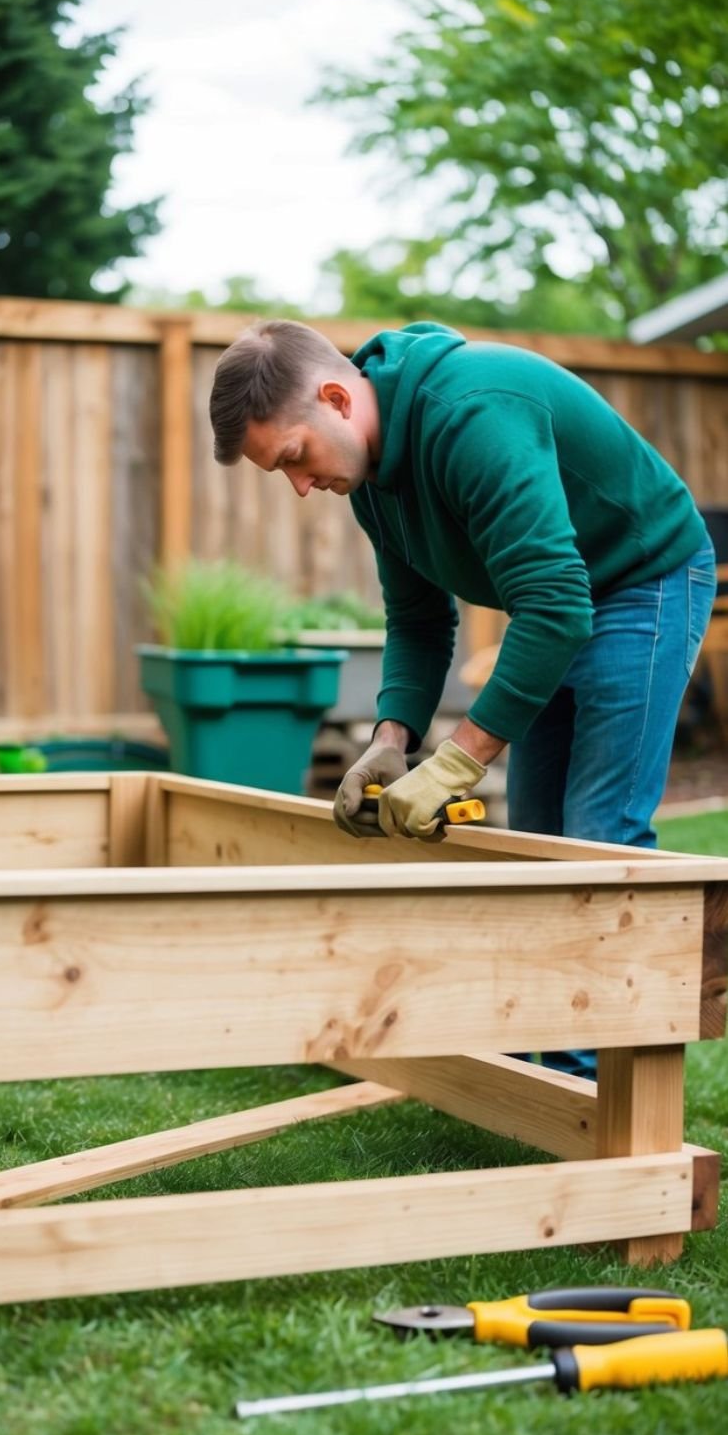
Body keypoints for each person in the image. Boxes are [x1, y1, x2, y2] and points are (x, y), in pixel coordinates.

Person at [208, 318, 717, 1079]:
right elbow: (417, 619)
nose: (302, 485)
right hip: (561, 602)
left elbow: (555, 603)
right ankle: (557, 1080)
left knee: (600, 840)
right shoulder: (375, 482)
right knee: (543, 847)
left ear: (338, 399)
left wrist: (458, 762)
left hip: (643, 578)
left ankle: (618, 1099)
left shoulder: (472, 413)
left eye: (294, 457)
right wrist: (390, 739)